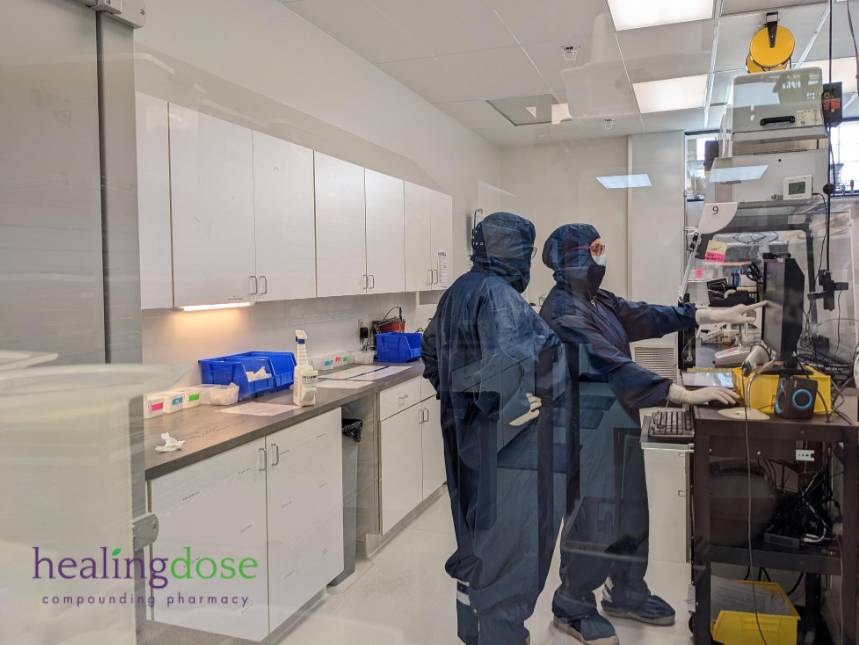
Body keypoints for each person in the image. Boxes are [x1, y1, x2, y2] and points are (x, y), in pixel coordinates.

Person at [539, 223, 759, 645]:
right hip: (583, 425)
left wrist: (708, 314)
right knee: (595, 515)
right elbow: (609, 364)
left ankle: (625, 591)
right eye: (596, 250)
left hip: (617, 416)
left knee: (631, 509)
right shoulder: (562, 311)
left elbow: (645, 314)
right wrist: (679, 394)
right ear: (575, 258)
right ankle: (573, 603)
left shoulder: (596, 299)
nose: (603, 259)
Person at [422, 212, 571, 645]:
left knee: (475, 540)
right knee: (512, 551)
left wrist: (458, 401)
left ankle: (474, 631)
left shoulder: (457, 291)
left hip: (465, 440)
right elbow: (517, 366)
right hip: (509, 449)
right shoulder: (500, 296)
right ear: (513, 252)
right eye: (525, 252)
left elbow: (430, 351)